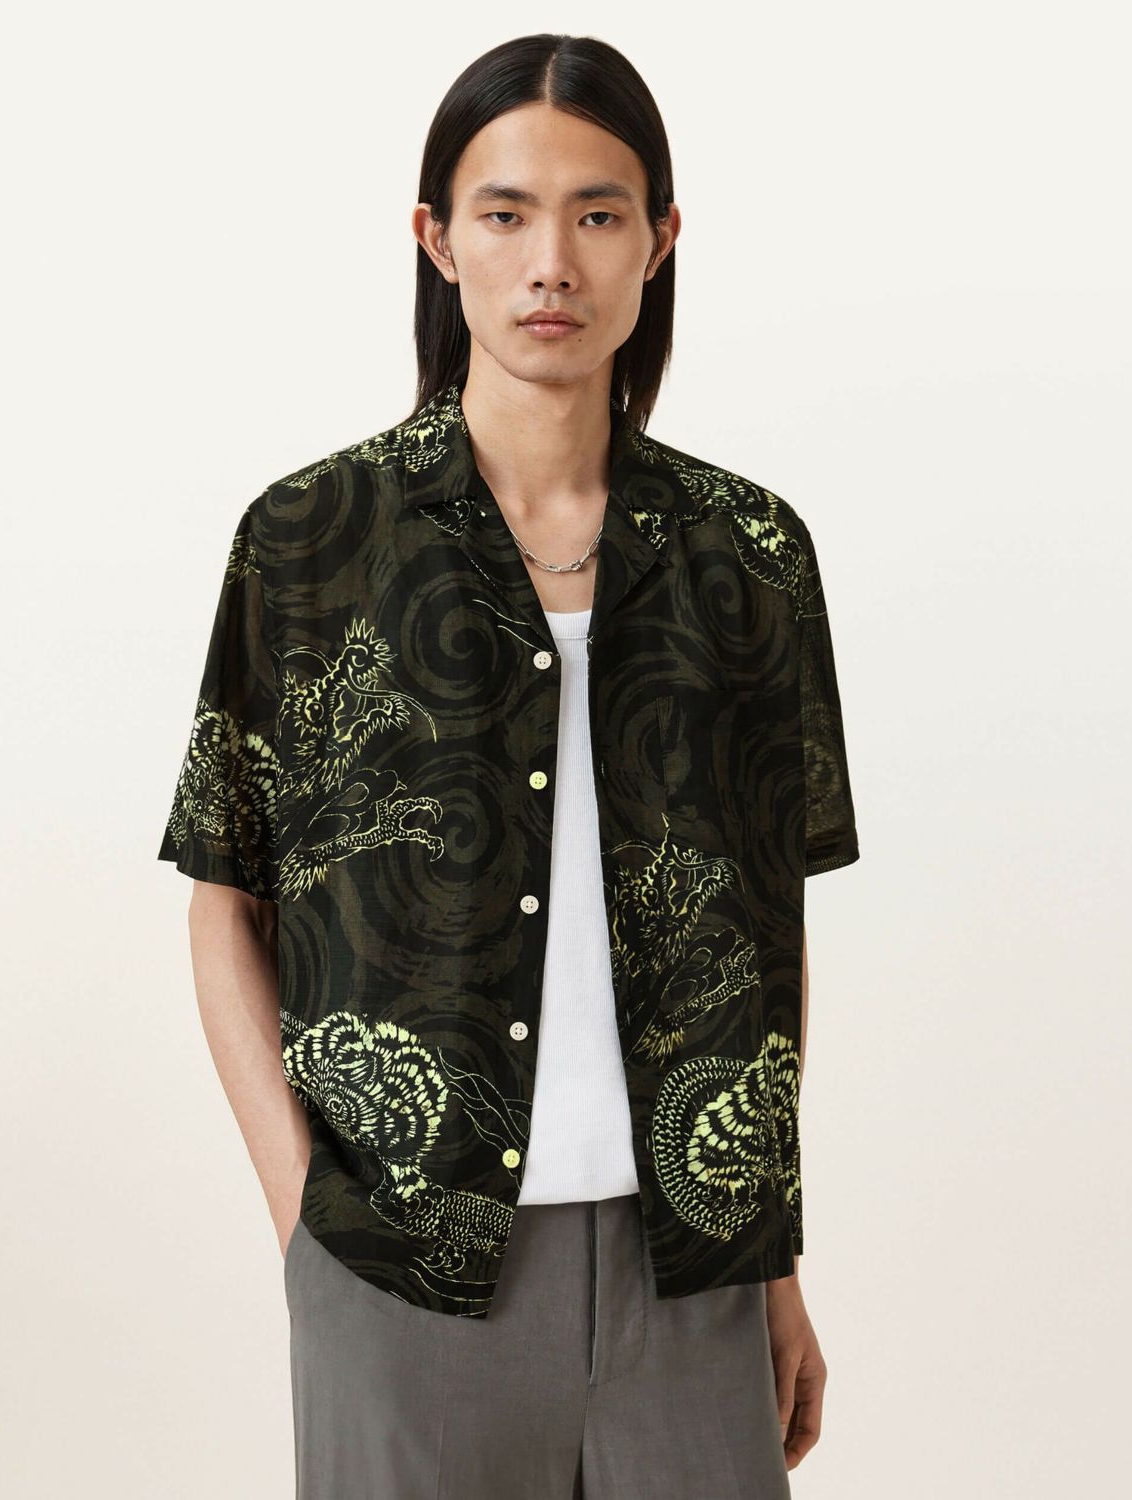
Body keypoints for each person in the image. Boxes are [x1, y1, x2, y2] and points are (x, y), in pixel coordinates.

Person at [157, 32, 860, 1500]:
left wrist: (773, 1259)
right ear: (437, 239)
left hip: (694, 1276)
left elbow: (770, 932)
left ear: (660, 239)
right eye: (506, 213)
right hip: (402, 1273)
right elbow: (227, 905)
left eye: (599, 214)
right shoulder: (311, 542)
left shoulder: (751, 555)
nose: (552, 264)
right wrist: (304, 1221)